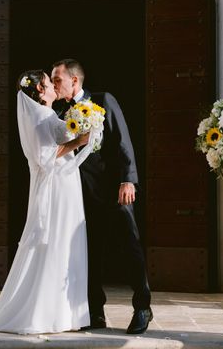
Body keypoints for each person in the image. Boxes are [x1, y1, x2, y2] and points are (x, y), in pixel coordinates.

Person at [51, 59, 152, 335]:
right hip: (79, 194)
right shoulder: (57, 111)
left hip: (114, 189)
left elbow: (122, 140)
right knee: (90, 253)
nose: (53, 84)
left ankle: (142, 306)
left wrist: (127, 179)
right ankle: (95, 311)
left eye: (57, 79)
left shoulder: (103, 100)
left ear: (75, 81)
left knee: (129, 245)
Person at [0, 70, 94, 334]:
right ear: (40, 89)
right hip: (54, 188)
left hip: (65, 184)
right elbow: (46, 158)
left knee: (65, 242)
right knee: (54, 241)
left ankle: (64, 314)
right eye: (49, 82)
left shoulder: (46, 114)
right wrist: (78, 142)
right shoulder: (39, 117)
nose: (53, 87)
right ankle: (43, 313)